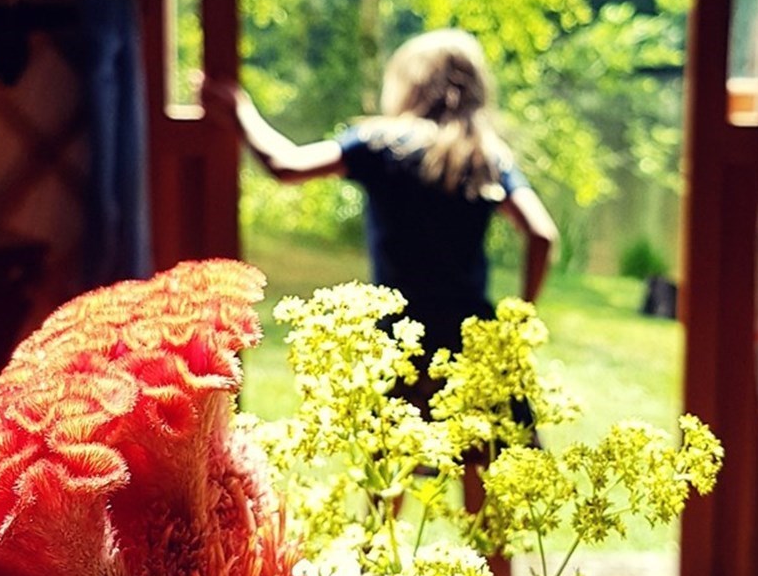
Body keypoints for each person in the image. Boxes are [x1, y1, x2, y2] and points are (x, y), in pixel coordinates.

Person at [206, 29, 558, 397]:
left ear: (410, 82)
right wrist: (518, 320)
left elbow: (285, 164)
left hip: (402, 338)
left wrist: (241, 110)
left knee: (402, 447)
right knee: (491, 451)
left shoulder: (381, 143)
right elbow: (541, 234)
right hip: (472, 337)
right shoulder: (486, 154)